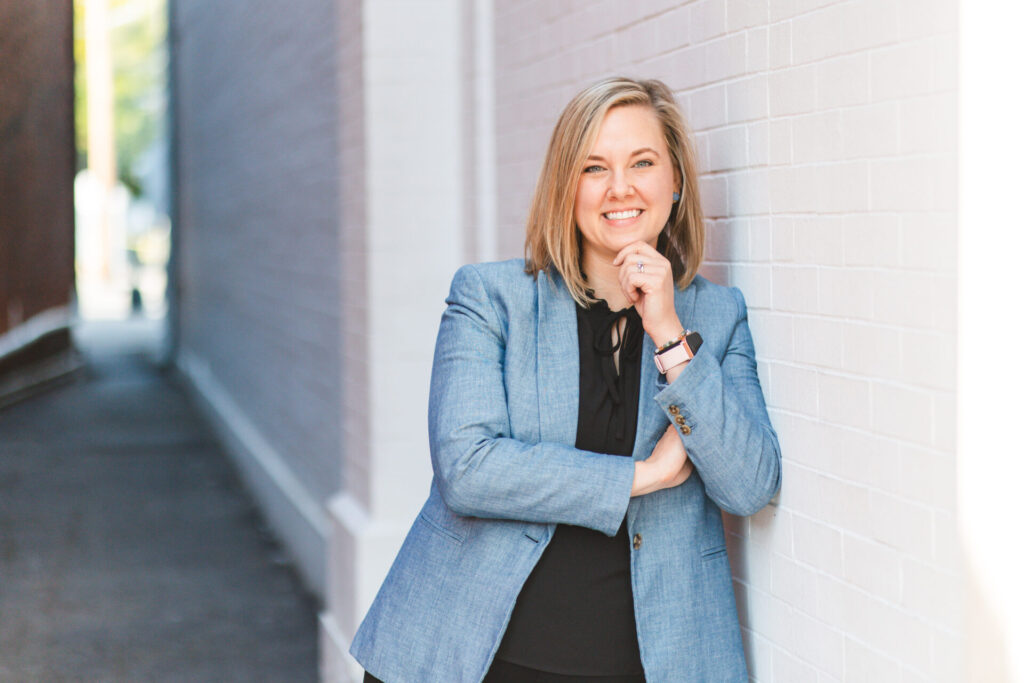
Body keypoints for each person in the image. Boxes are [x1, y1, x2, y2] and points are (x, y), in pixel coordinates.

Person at [352, 77, 781, 683]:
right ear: (566, 187)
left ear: (676, 179)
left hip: (646, 662)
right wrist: (644, 476)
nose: (620, 188)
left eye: (642, 162)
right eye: (594, 167)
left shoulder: (716, 315)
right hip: (479, 656)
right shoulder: (490, 298)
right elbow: (469, 470)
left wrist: (666, 330)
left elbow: (747, 485)